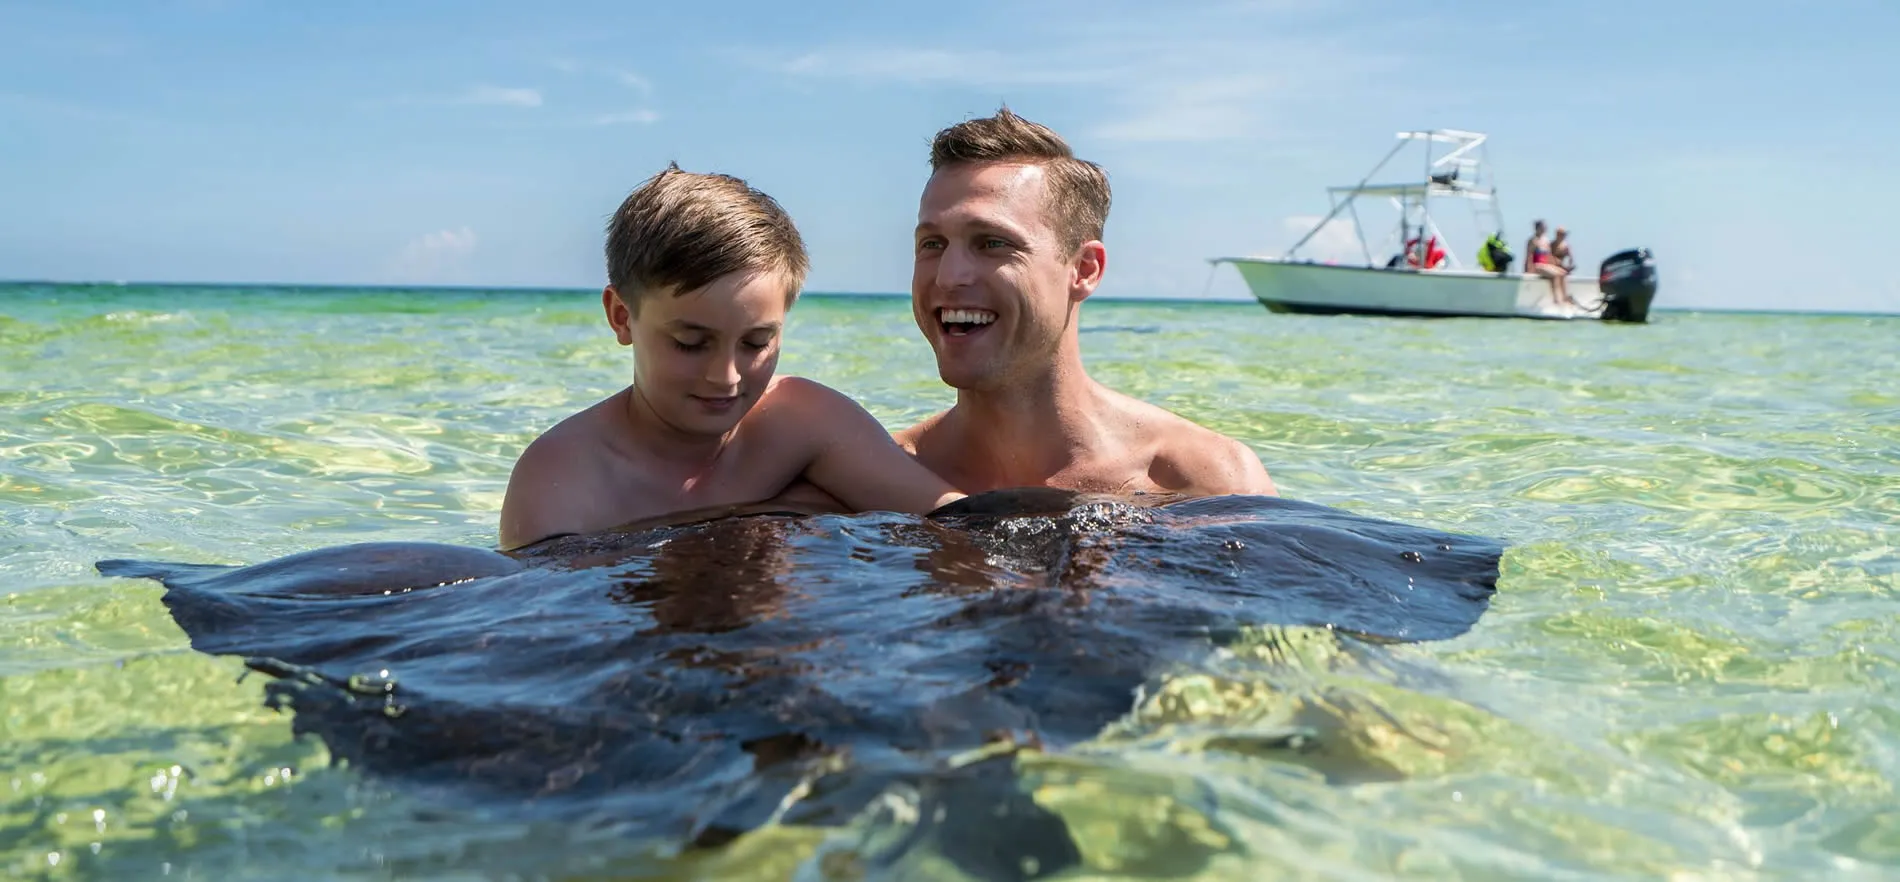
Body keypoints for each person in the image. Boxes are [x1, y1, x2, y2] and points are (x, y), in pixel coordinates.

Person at [497, 164, 966, 550]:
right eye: (690, 342)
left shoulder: (800, 422)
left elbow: (963, 525)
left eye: (756, 343)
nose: (726, 377)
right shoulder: (564, 480)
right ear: (622, 317)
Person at [894, 108, 1277, 498]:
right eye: (932, 244)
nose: (948, 275)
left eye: (993, 243)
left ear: (1084, 270)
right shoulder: (877, 478)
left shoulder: (1208, 482)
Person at [1525, 219, 1575, 308]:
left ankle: (1564, 297)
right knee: (1555, 275)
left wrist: (1559, 265)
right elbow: (1529, 256)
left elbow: (1549, 256)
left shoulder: (1546, 240)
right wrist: (1527, 270)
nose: (1545, 228)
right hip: (1537, 265)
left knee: (1563, 273)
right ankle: (1556, 300)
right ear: (1537, 228)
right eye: (1543, 227)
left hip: (1546, 265)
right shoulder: (1533, 241)